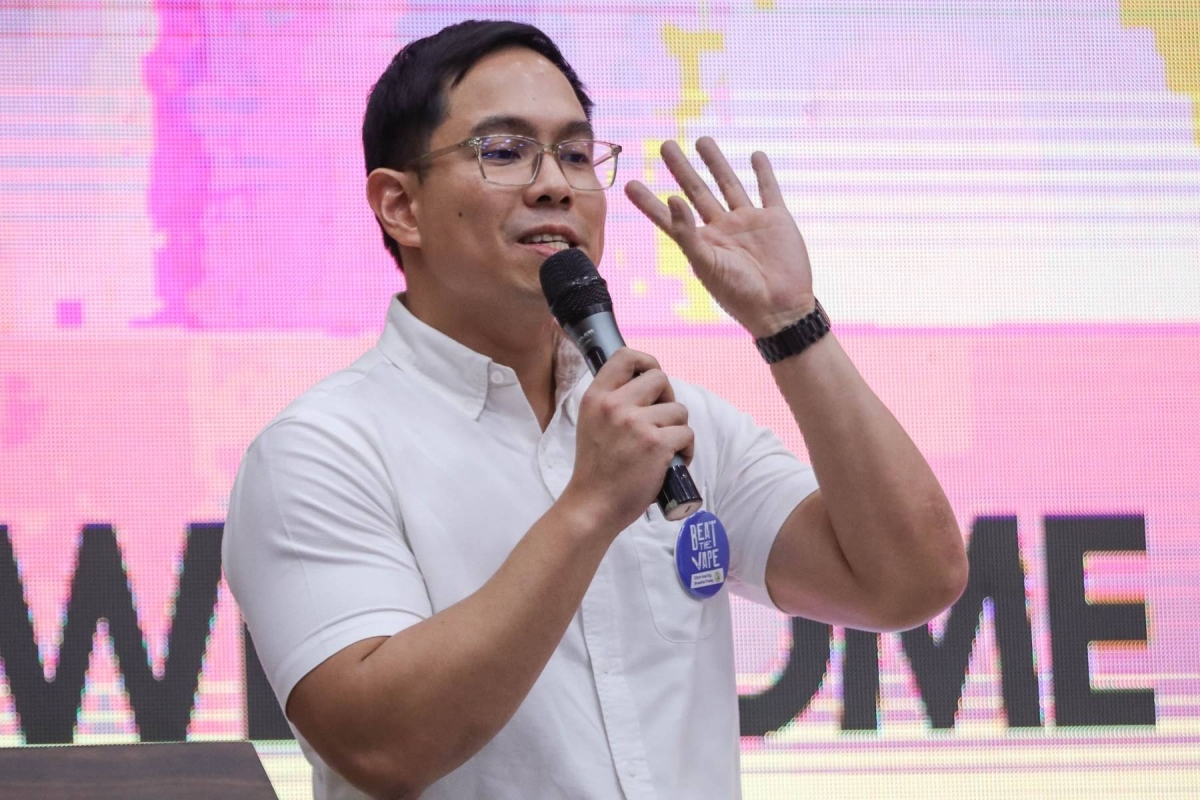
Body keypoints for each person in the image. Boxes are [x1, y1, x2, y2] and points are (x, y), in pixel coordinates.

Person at [222, 19, 968, 800]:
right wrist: (590, 507)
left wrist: (791, 325)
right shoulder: (321, 450)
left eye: (576, 154)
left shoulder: (673, 421)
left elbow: (909, 582)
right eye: (504, 151)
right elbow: (381, 748)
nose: (556, 184)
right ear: (399, 207)